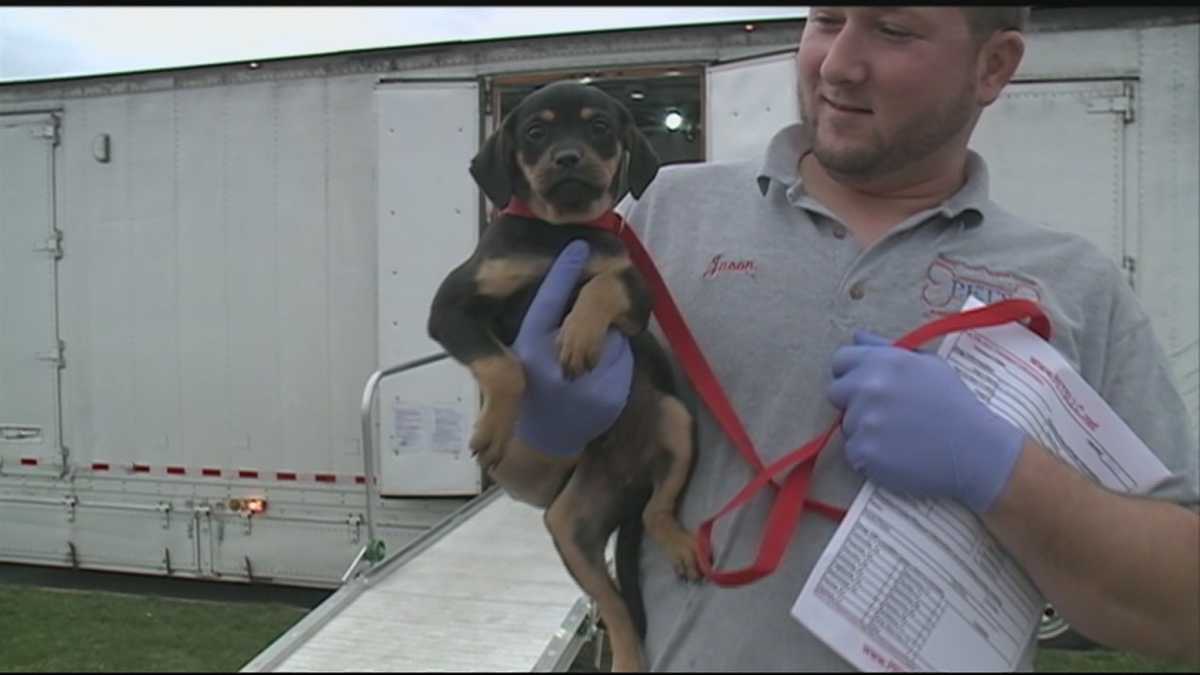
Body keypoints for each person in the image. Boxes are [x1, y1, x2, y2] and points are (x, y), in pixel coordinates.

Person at [508, 6, 1200, 670]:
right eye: (825, 19)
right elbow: (533, 481)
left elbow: (1182, 612)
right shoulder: (664, 216)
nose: (836, 65)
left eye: (892, 29)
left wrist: (1000, 468)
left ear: (993, 66)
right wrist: (545, 428)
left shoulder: (1072, 287)